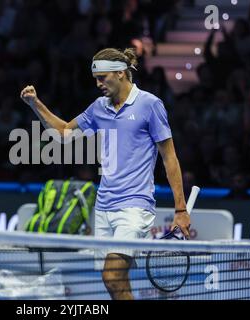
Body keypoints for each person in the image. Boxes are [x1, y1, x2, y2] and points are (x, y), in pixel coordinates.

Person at [20, 48, 190, 300]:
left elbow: (169, 157)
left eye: (102, 77)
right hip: (103, 208)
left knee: (110, 275)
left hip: (134, 207)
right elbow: (65, 133)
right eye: (96, 79)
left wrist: (180, 209)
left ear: (121, 73)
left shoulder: (150, 105)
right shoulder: (99, 107)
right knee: (116, 284)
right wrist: (35, 104)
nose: (98, 84)